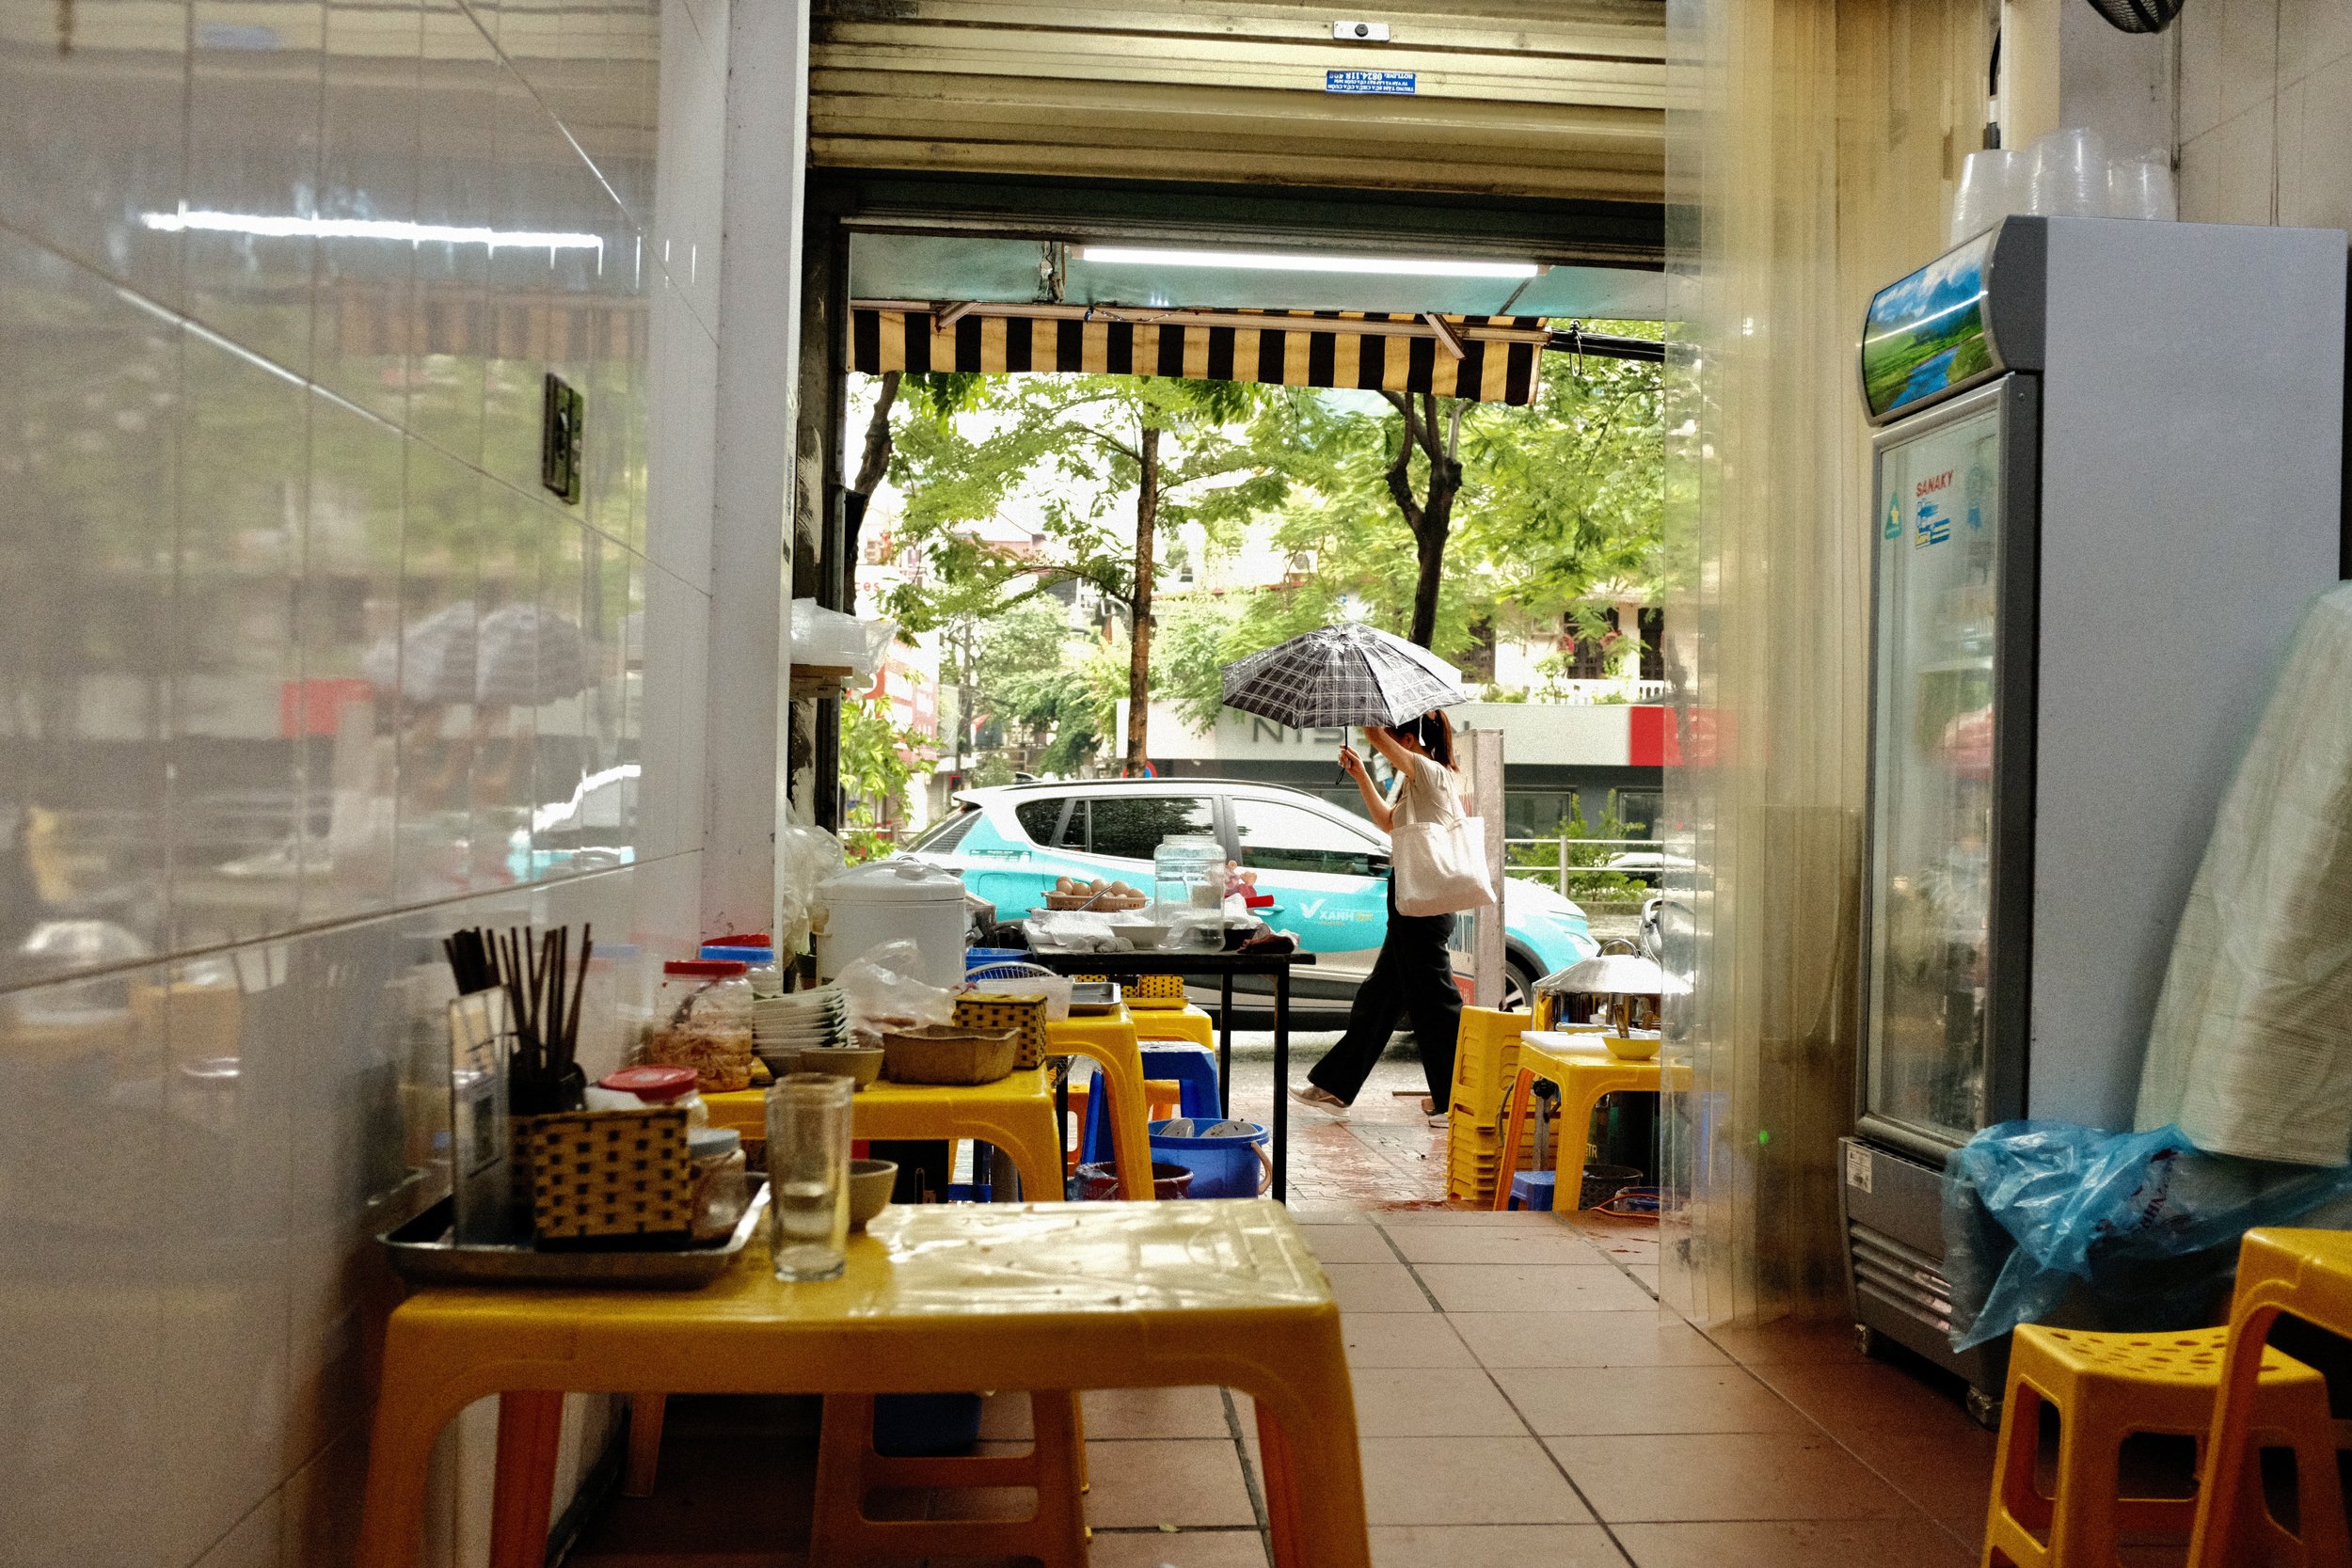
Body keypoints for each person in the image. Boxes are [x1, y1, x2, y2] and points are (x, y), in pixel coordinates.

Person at [1293, 710, 1465, 1124]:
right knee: (1380, 998)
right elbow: (1389, 823)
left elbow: (1374, 732)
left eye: (1390, 745)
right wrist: (1361, 775)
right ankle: (1336, 1085)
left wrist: (1370, 717)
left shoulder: (1431, 772)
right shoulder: (1416, 779)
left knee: (1436, 1008)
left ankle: (1456, 1101)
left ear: (1407, 740)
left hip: (1424, 904)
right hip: (1411, 900)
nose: (1384, 752)